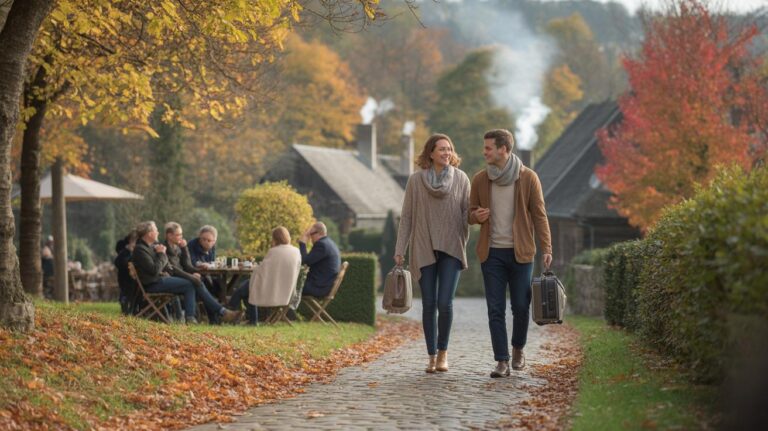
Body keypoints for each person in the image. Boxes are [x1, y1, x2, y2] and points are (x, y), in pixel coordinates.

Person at [468, 129, 552, 378]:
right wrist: (476, 216)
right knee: (495, 309)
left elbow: (539, 214)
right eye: (484, 148)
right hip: (491, 253)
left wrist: (547, 247)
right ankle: (502, 361)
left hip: (521, 253)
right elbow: (470, 212)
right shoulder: (480, 179)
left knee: (520, 306)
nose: (484, 152)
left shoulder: (528, 178)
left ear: (504, 149)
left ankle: (518, 349)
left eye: (488, 148)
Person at [394, 133, 470, 374]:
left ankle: (443, 353)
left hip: (451, 247)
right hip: (424, 245)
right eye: (441, 149)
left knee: (444, 303)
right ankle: (431, 355)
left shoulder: (461, 179)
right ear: (430, 153)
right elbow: (406, 217)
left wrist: (479, 217)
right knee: (428, 304)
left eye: (449, 149)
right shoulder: (416, 181)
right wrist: (400, 249)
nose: (447, 153)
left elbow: (468, 213)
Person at [131, 221, 241, 324]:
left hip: (161, 279)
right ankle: (219, 313)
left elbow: (169, 266)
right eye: (156, 230)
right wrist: (162, 254)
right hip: (153, 284)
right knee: (191, 283)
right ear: (150, 234)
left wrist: (179, 253)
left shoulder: (152, 247)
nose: (158, 232)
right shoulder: (141, 250)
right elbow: (155, 270)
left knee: (192, 284)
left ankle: (195, 317)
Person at [227, 227, 302, 325]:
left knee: (241, 290)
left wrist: (251, 266)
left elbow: (262, 270)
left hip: (272, 289)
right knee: (248, 291)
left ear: (275, 238)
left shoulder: (274, 251)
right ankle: (250, 320)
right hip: (287, 292)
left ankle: (228, 313)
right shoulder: (296, 251)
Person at [163, 222, 221, 323]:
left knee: (212, 284)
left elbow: (187, 265)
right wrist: (191, 276)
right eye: (178, 235)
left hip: (182, 276)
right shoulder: (164, 249)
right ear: (169, 235)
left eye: (181, 234)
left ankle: (216, 315)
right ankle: (220, 312)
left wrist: (184, 249)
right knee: (195, 283)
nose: (181, 237)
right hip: (172, 278)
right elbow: (174, 269)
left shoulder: (178, 248)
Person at [298, 222, 341, 298]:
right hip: (324, 286)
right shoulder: (330, 243)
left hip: (318, 288)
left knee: (290, 285)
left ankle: (285, 309)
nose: (310, 238)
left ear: (318, 233)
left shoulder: (321, 245)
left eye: (310, 234)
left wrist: (302, 243)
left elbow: (305, 261)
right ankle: (288, 309)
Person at [187, 225, 222, 300]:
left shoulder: (212, 247)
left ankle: (220, 303)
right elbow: (191, 261)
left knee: (220, 281)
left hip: (208, 273)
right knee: (206, 281)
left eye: (209, 240)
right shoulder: (192, 244)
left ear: (214, 241)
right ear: (199, 238)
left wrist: (210, 264)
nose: (205, 242)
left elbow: (212, 261)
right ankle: (215, 306)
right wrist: (200, 264)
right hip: (194, 273)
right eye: (203, 239)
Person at [114, 231, 138, 315]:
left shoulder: (138, 250)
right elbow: (119, 263)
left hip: (135, 278)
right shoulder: (124, 250)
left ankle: (131, 309)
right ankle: (124, 305)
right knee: (126, 293)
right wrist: (129, 252)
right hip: (125, 277)